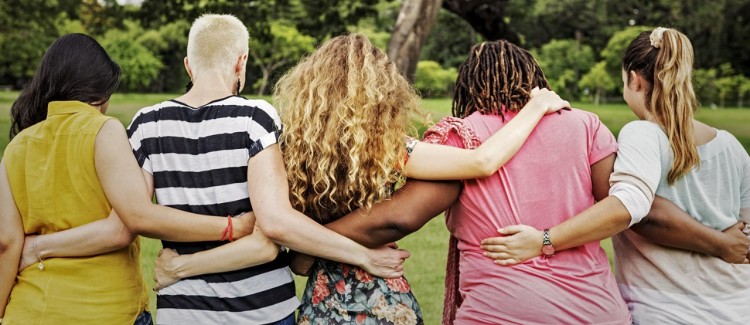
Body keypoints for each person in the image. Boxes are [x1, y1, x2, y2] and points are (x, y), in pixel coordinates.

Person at [7, 17, 409, 325]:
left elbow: (128, 218)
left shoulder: (146, 124)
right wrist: (364, 256)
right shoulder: (255, 117)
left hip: (183, 309)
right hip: (261, 310)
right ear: (241, 62)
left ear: (187, 64)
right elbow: (276, 223)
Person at [148, 33, 569, 324]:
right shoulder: (387, 148)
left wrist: (307, 254)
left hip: (321, 300)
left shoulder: (288, 150)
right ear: (382, 89)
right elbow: (481, 161)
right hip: (383, 294)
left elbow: (285, 242)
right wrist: (535, 107)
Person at [482, 28, 750, 324]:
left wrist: (545, 240)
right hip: (737, 305)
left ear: (634, 79)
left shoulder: (643, 133)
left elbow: (634, 206)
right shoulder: (730, 145)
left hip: (668, 309)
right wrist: (723, 243)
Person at [0, 33, 264, 325]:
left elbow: (7, 243)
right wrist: (233, 226)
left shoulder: (17, 146)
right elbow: (131, 221)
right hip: (104, 310)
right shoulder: (103, 130)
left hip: (28, 311)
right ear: (101, 92)